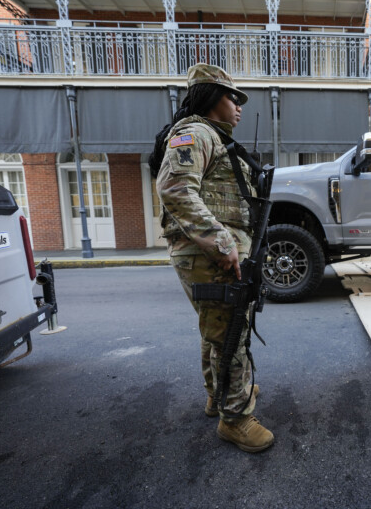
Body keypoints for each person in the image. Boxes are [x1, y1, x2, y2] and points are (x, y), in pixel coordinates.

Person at [151, 64, 273, 453]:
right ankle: (234, 419)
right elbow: (174, 188)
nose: (238, 106)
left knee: (217, 330)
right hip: (211, 255)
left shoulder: (214, 138)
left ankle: (217, 395)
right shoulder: (196, 133)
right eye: (231, 97)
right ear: (210, 97)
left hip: (217, 254)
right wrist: (222, 244)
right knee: (230, 334)